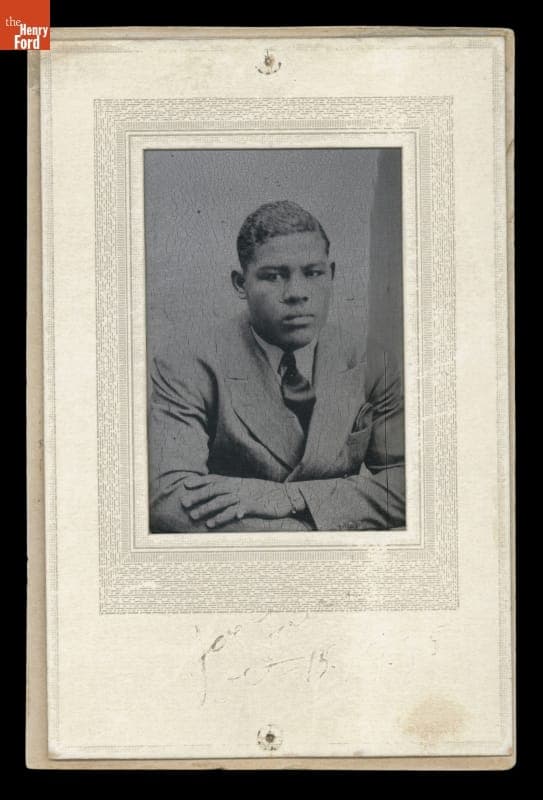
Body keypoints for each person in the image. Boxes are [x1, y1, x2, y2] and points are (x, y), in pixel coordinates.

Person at [149, 200, 405, 533]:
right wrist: (307, 539)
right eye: (274, 276)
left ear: (332, 274)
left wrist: (290, 497)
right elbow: (169, 501)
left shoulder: (371, 362)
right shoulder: (188, 364)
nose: (297, 293)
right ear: (241, 284)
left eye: (313, 273)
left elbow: (413, 484)